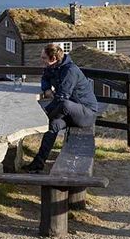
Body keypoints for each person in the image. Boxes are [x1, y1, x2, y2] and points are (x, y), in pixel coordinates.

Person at [24, 43, 99, 173]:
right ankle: (38, 163)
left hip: (85, 114)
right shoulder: (52, 67)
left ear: (53, 58)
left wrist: (45, 113)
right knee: (53, 125)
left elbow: (62, 97)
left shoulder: (70, 71)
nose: (42, 60)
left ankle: (41, 121)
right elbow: (44, 79)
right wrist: (47, 89)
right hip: (69, 113)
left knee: (64, 105)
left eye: (44, 58)